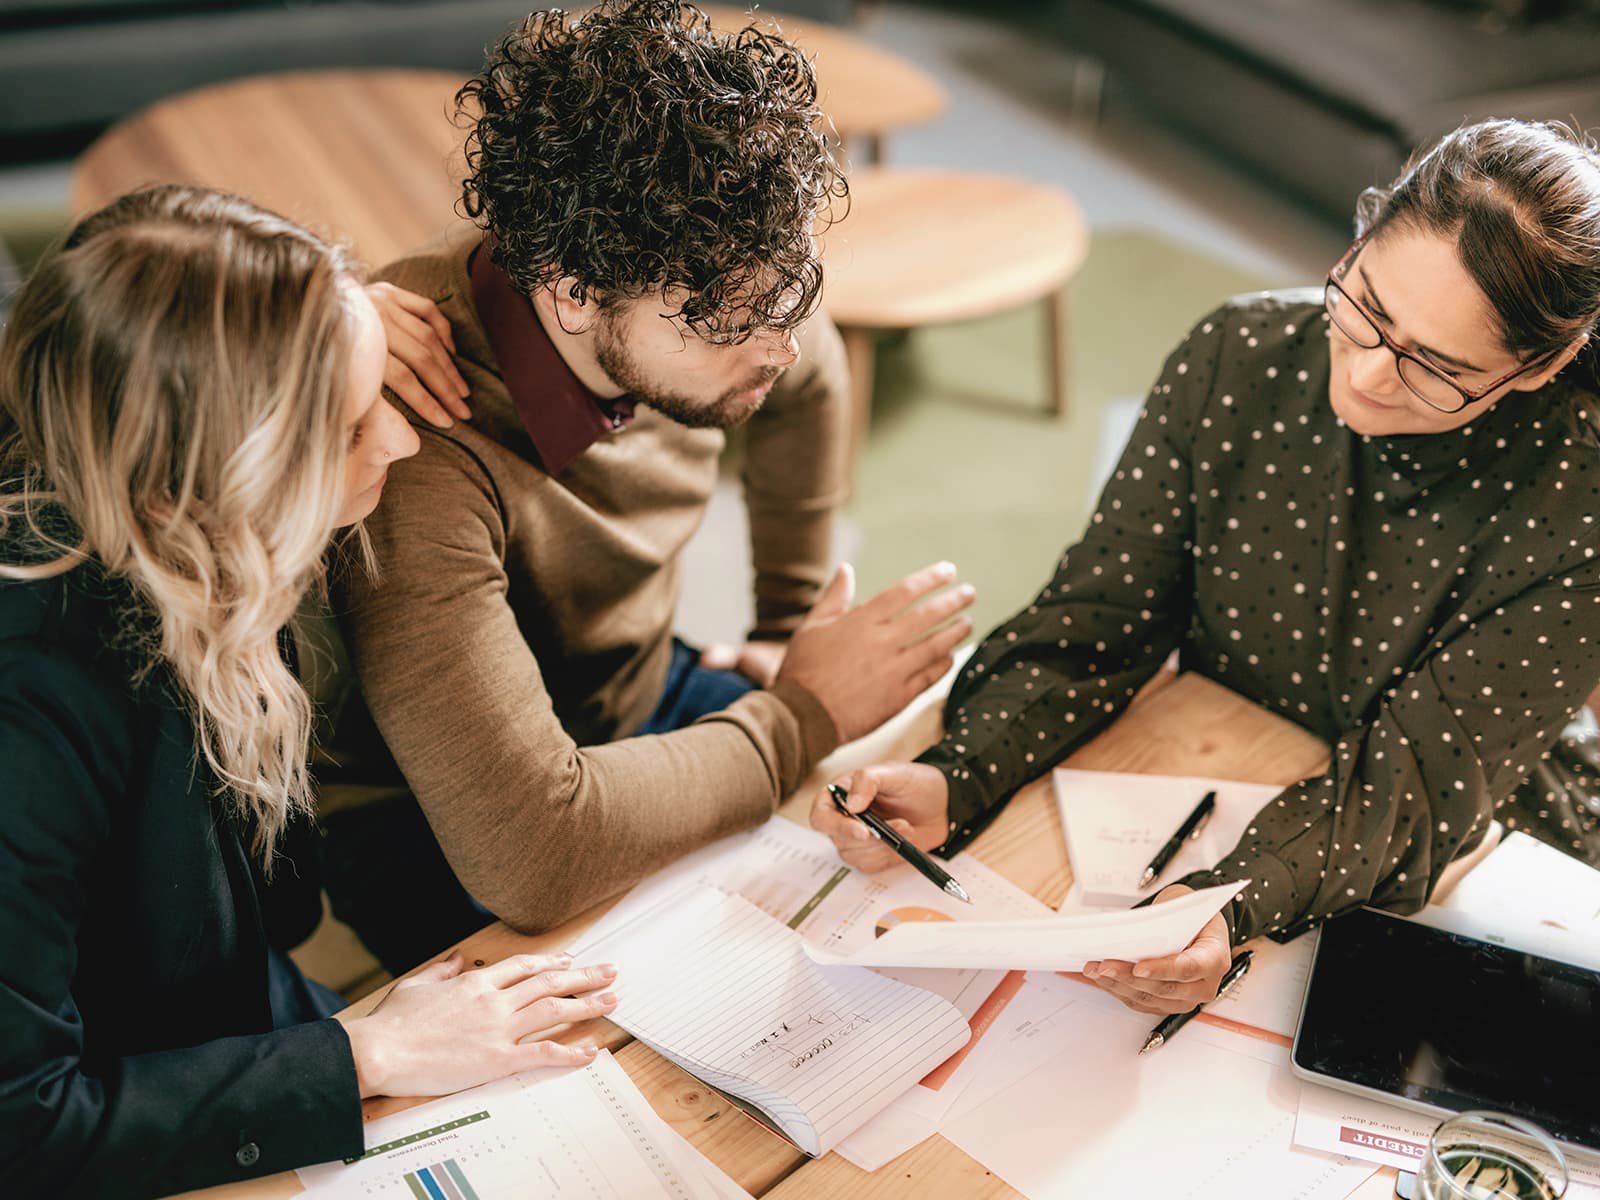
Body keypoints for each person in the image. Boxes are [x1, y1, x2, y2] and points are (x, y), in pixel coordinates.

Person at [811, 117, 1600, 1016]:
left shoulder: (1580, 507)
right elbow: (1098, 617)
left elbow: (1412, 789)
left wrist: (1231, 904)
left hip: (1462, 837)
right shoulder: (1241, 356)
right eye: (1367, 307)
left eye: (1435, 367)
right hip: (1216, 758)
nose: (1372, 376)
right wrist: (962, 772)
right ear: (1363, 233)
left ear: (1544, 366)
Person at [323, 0, 974, 972]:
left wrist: (782, 630)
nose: (781, 346)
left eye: (790, 297)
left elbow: (813, 373)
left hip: (630, 697)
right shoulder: (419, 442)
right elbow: (532, 856)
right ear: (573, 290)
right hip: (441, 811)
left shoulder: (722, 278)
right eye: (731, 324)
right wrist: (801, 711)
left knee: (873, 875)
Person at [0, 185, 619, 1198]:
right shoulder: (27, 723)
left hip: (249, 1015)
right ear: (190, 485)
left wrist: (333, 330)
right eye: (344, 427)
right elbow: (22, 1127)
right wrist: (363, 1056)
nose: (402, 442)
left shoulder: (184, 531)